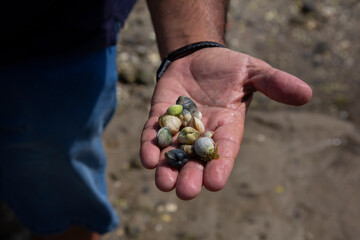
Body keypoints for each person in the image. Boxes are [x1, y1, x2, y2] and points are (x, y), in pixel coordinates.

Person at [0, 0, 312, 239]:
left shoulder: (185, 128)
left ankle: (63, 227)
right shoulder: (185, 128)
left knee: (53, 167)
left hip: (52, 41)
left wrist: (194, 43)